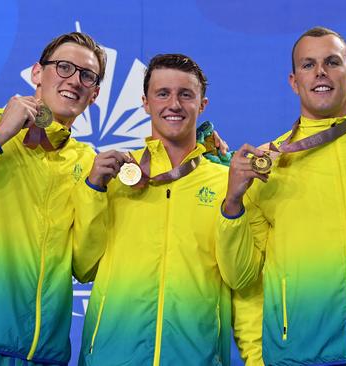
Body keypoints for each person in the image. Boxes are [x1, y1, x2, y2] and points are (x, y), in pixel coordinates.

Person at [218, 27, 346, 365]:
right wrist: (232, 204)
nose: (320, 72)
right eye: (308, 65)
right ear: (294, 81)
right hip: (294, 357)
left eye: (332, 62)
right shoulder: (267, 164)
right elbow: (241, 278)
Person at [74, 53, 263, 366]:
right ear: (146, 102)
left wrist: (232, 205)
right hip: (111, 357)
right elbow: (82, 267)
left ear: (202, 105)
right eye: (162, 93)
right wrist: (94, 190)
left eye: (185, 94)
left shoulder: (227, 182)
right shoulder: (115, 175)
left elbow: (240, 278)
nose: (173, 104)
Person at [0, 32, 109, 365]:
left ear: (94, 94)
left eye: (87, 76)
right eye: (64, 67)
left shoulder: (87, 162)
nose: (75, 81)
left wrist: (95, 189)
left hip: (44, 353)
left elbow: (85, 267)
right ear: (37, 74)